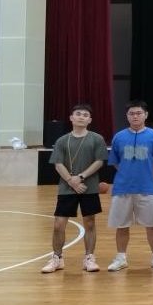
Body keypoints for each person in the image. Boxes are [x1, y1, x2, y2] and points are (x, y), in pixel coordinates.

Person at [42, 104, 109, 274]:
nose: (81, 117)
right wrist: (70, 181)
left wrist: (80, 177)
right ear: (71, 118)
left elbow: (99, 161)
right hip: (67, 188)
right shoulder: (62, 140)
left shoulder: (97, 139)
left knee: (90, 222)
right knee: (59, 224)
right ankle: (57, 258)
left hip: (89, 187)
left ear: (90, 120)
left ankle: (89, 258)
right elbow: (58, 163)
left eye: (85, 115)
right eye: (78, 114)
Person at [105, 100, 153, 273]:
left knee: (152, 225)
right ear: (127, 116)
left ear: (145, 115)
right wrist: (127, 173)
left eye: (139, 113)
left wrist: (150, 175)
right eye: (131, 113)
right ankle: (121, 258)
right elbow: (115, 161)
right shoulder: (119, 137)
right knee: (121, 225)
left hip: (147, 187)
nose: (135, 116)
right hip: (122, 188)